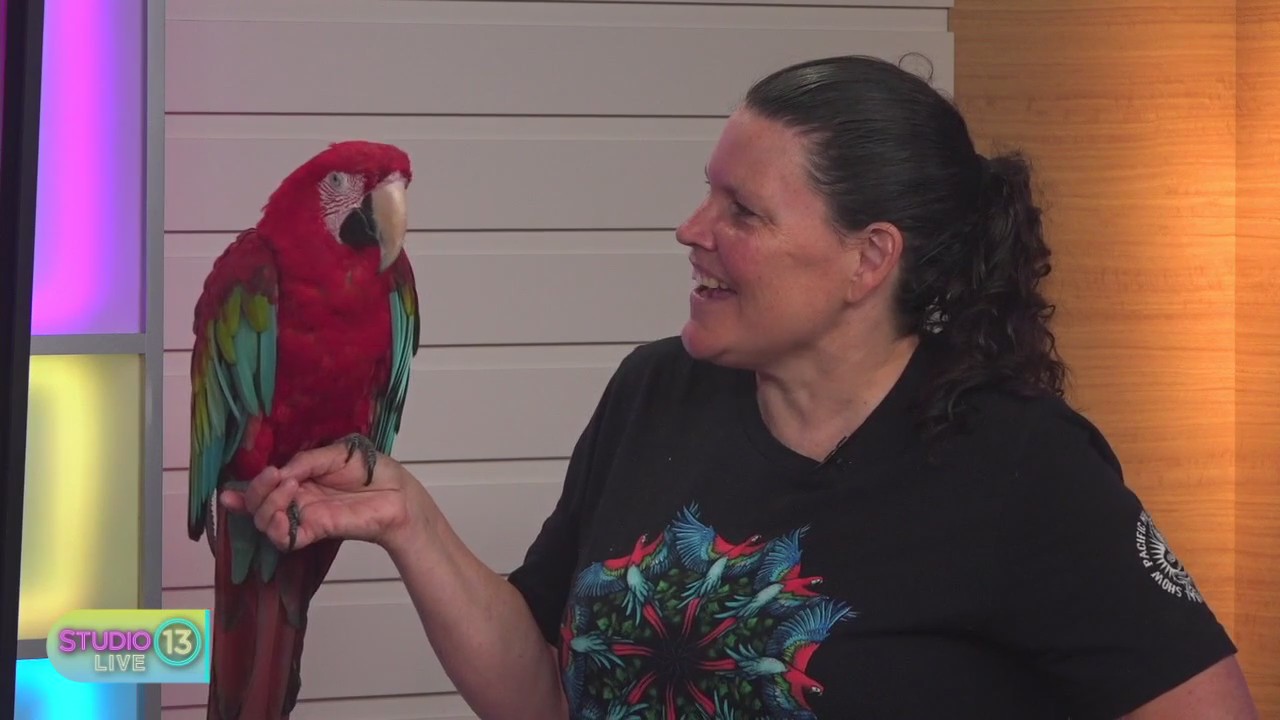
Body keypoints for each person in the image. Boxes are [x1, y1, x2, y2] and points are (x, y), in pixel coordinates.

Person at [221, 55, 1257, 719]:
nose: (690, 229)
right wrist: (409, 522)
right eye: (703, 192)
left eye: (741, 210)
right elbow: (541, 689)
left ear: (867, 261)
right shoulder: (652, 394)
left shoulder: (1021, 463)